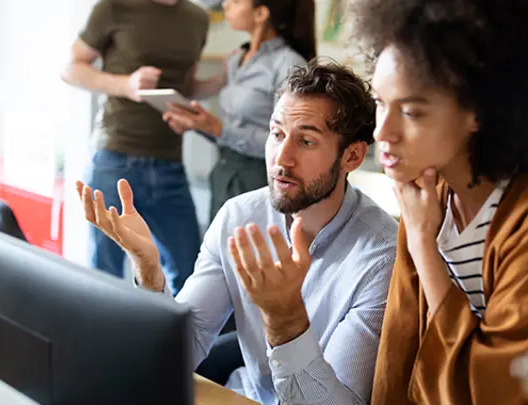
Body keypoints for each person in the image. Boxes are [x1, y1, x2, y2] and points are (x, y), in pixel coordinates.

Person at [77, 61, 398, 405]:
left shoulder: (382, 256)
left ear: (351, 156)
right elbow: (182, 348)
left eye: (306, 141)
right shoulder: (239, 216)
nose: (281, 158)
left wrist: (285, 318)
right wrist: (149, 271)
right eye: (276, 134)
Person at [347, 0, 528, 403]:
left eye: (412, 113)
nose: (383, 131)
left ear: (480, 111)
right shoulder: (427, 190)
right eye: (380, 103)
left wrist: (423, 248)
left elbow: (497, 390)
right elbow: (400, 354)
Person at [61, 0, 210, 295]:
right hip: (114, 159)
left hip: (170, 163)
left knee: (192, 276)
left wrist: (226, 79)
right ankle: (107, 342)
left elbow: (187, 88)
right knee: (105, 277)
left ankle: (181, 343)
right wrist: (127, 84)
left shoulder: (198, 18)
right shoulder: (114, 6)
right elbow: (70, 69)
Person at [162, 0, 317, 222]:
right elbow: (230, 131)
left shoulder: (289, 66)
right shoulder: (236, 60)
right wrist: (198, 126)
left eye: (235, 1)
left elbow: (287, 143)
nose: (225, 5)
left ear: (261, 13)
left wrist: (218, 128)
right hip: (223, 175)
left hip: (259, 183)